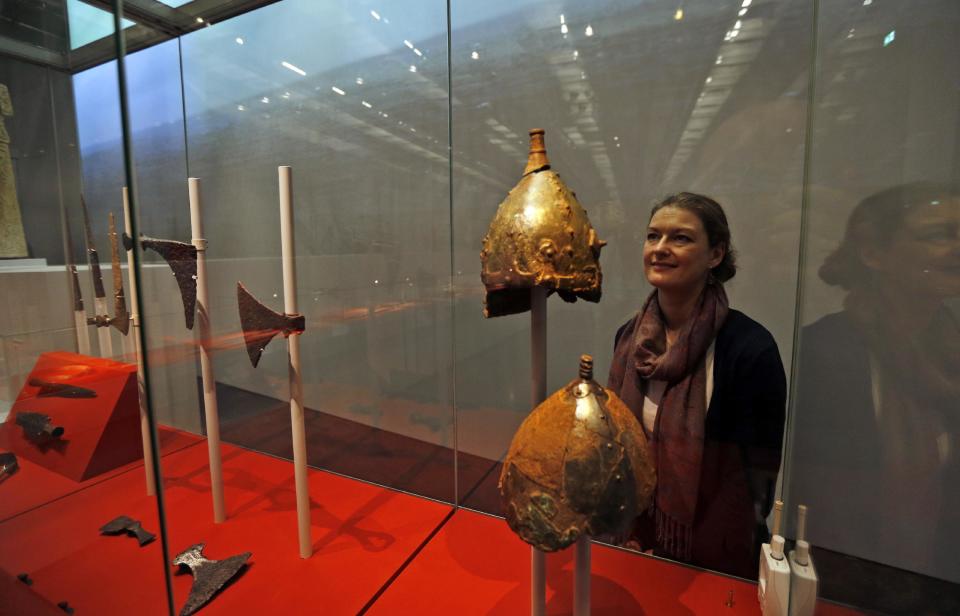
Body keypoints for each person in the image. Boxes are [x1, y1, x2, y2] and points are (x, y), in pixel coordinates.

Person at [789, 181, 960, 594]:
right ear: (873, 254)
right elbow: (816, 494)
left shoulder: (952, 351)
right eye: (938, 235)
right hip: (846, 586)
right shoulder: (824, 351)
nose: (956, 248)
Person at [608, 192, 786, 579]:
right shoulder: (629, 338)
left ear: (716, 255)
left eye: (681, 238)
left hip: (714, 548)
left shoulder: (750, 348)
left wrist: (702, 552)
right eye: (653, 236)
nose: (660, 249)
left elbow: (758, 472)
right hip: (638, 534)